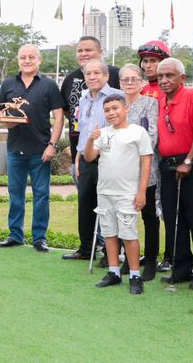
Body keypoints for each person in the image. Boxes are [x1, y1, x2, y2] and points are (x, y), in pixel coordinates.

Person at [0, 44, 63, 252]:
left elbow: (58, 117)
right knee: (15, 194)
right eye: (23, 57)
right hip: (15, 148)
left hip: (41, 149)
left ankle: (39, 237)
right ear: (18, 60)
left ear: (39, 60)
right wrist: (4, 121)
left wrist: (53, 144)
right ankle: (15, 234)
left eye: (31, 57)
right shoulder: (8, 84)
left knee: (41, 195)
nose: (27, 60)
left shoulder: (49, 85)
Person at [156, 58, 193, 291]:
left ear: (182, 77)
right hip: (168, 165)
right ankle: (181, 267)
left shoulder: (192, 95)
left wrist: (189, 161)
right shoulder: (161, 100)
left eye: (169, 75)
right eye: (161, 76)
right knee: (173, 218)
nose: (164, 80)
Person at [84, 94, 152, 295]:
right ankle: (114, 272)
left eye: (115, 108)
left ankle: (134, 275)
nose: (111, 113)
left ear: (126, 108)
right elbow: (89, 157)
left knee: (129, 235)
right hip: (105, 192)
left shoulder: (138, 132)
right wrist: (90, 139)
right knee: (110, 233)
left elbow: (146, 163)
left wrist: (141, 192)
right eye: (107, 110)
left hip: (127, 193)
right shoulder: (102, 133)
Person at [64, 59, 122, 262]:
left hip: (110, 159)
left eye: (97, 73)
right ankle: (86, 247)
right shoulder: (84, 98)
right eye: (88, 74)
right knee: (85, 203)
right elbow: (83, 130)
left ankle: (110, 252)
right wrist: (79, 156)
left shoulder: (117, 96)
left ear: (106, 76)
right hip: (87, 158)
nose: (92, 77)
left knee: (109, 206)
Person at [118, 64, 162, 281]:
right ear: (119, 83)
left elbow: (151, 135)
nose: (129, 83)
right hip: (122, 170)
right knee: (126, 216)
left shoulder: (150, 103)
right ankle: (129, 257)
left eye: (134, 79)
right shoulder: (117, 105)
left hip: (146, 167)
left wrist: (131, 148)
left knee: (149, 216)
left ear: (142, 82)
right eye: (125, 79)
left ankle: (151, 260)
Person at [60, 36, 121, 164]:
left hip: (111, 154)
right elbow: (67, 112)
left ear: (100, 52)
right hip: (80, 150)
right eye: (80, 51)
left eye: (88, 50)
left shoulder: (117, 75)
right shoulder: (70, 79)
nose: (83, 54)